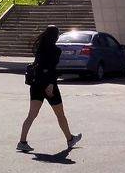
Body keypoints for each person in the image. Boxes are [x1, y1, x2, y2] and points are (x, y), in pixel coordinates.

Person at [17, 24, 81, 152]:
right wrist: (51, 84)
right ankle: (69, 139)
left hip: (36, 84)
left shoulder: (39, 48)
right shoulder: (56, 50)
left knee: (31, 114)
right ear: (56, 36)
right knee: (60, 114)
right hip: (49, 85)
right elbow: (51, 68)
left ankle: (22, 141)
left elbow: (40, 67)